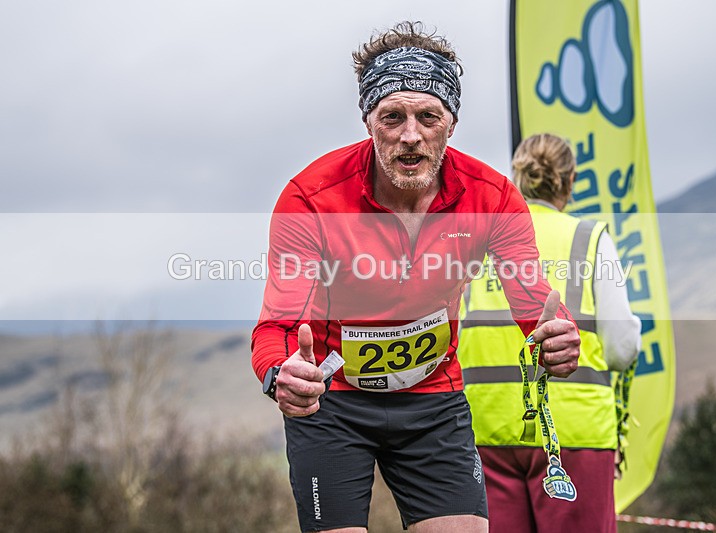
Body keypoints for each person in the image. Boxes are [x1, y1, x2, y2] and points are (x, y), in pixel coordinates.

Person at [251, 23, 580, 533]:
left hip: (433, 401)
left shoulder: (492, 198)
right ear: (368, 121)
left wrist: (557, 337)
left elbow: (534, 306)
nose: (410, 135)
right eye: (392, 117)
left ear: (451, 123)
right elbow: (275, 326)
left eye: (428, 116)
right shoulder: (310, 198)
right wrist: (281, 374)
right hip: (332, 400)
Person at [459, 133, 642, 533]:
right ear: (569, 182)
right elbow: (621, 348)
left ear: (516, 177)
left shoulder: (479, 242)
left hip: (485, 430)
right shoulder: (589, 238)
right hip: (574, 432)